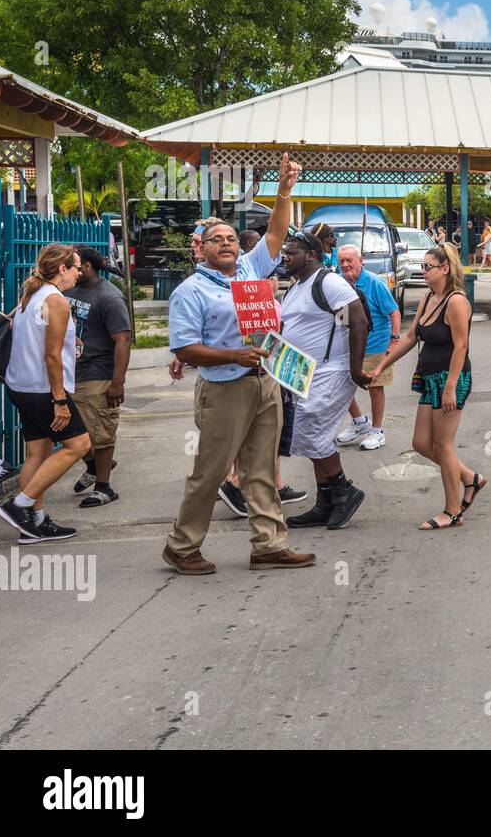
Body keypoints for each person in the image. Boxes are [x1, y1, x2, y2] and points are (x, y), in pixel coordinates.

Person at [164, 154, 315, 574]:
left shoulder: (249, 269)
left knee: (262, 468)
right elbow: (185, 349)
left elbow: (276, 231)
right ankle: (182, 546)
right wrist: (234, 355)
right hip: (225, 388)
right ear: (201, 248)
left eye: (231, 238)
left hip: (265, 381)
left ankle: (269, 544)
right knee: (210, 473)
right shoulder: (190, 292)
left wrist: (285, 190)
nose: (227, 244)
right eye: (217, 240)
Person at [370, 243, 485, 530]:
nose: (423, 271)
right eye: (422, 266)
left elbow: (461, 346)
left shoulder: (456, 301)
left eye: (428, 267)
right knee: (421, 443)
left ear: (445, 269)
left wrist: (450, 387)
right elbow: (410, 337)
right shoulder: (428, 298)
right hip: (429, 379)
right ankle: (470, 478)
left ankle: (453, 510)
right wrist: (383, 364)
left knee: (443, 445)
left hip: (450, 380)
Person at [276, 232, 372, 530]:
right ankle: (326, 502)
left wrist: (355, 369)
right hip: (302, 373)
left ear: (312, 255)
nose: (285, 257)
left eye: (291, 252)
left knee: (313, 431)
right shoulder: (295, 288)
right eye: (284, 252)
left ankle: (344, 492)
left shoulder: (328, 282)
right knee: (309, 435)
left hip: (333, 370)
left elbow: (357, 321)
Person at [0, 245, 90, 543]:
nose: (79, 272)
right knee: (79, 445)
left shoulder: (31, 297)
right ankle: (20, 505)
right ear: (62, 268)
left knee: (38, 452)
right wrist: (60, 400)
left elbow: (40, 345)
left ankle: (32, 524)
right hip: (43, 390)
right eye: (76, 267)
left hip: (20, 386)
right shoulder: (56, 301)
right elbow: (51, 357)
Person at [65, 245, 132, 508]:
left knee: (101, 432)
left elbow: (123, 340)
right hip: (69, 373)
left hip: (97, 374)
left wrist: (117, 382)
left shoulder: (109, 297)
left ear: (87, 267)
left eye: (71, 264)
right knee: (70, 431)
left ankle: (104, 487)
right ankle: (93, 465)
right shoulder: (69, 289)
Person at [335, 244, 401, 451]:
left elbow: (394, 312)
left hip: (375, 345)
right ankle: (359, 421)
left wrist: (395, 340)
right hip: (349, 346)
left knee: (375, 387)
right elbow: (340, 315)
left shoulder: (374, 283)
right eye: (341, 261)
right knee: (340, 386)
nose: (345, 265)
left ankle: (377, 430)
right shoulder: (338, 282)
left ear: (360, 260)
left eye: (349, 260)